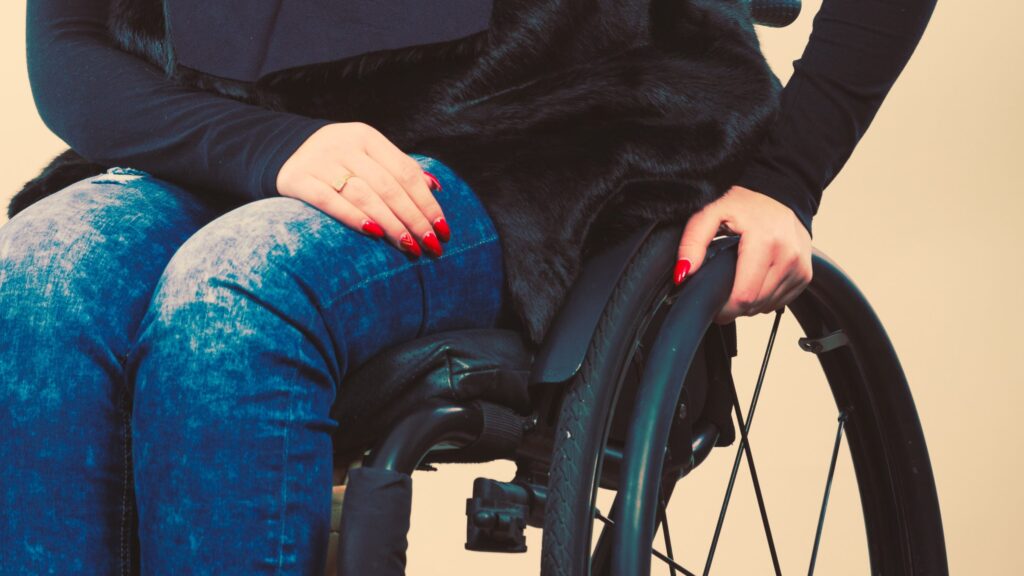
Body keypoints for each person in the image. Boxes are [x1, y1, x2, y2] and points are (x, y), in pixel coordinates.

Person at [0, 0, 936, 573]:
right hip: (244, 129)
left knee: (235, 292)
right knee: (41, 272)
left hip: (535, 135)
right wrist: (273, 150)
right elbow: (71, 45)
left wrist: (784, 180)